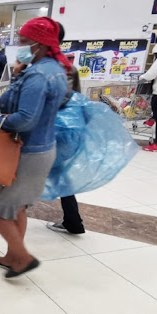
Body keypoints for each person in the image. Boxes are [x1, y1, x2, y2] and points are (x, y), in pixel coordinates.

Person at [0, 17, 69, 278]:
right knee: (16, 207)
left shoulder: (38, 75)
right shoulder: (53, 69)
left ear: (39, 45)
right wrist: (19, 75)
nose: (20, 46)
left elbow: (25, 119)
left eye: (24, 42)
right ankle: (12, 255)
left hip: (24, 153)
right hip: (40, 150)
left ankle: (22, 258)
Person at [48, 53, 86, 235]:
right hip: (69, 131)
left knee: (28, 170)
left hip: (58, 130)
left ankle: (5, 212)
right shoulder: (70, 71)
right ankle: (73, 221)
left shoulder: (60, 72)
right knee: (59, 175)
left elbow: (59, 99)